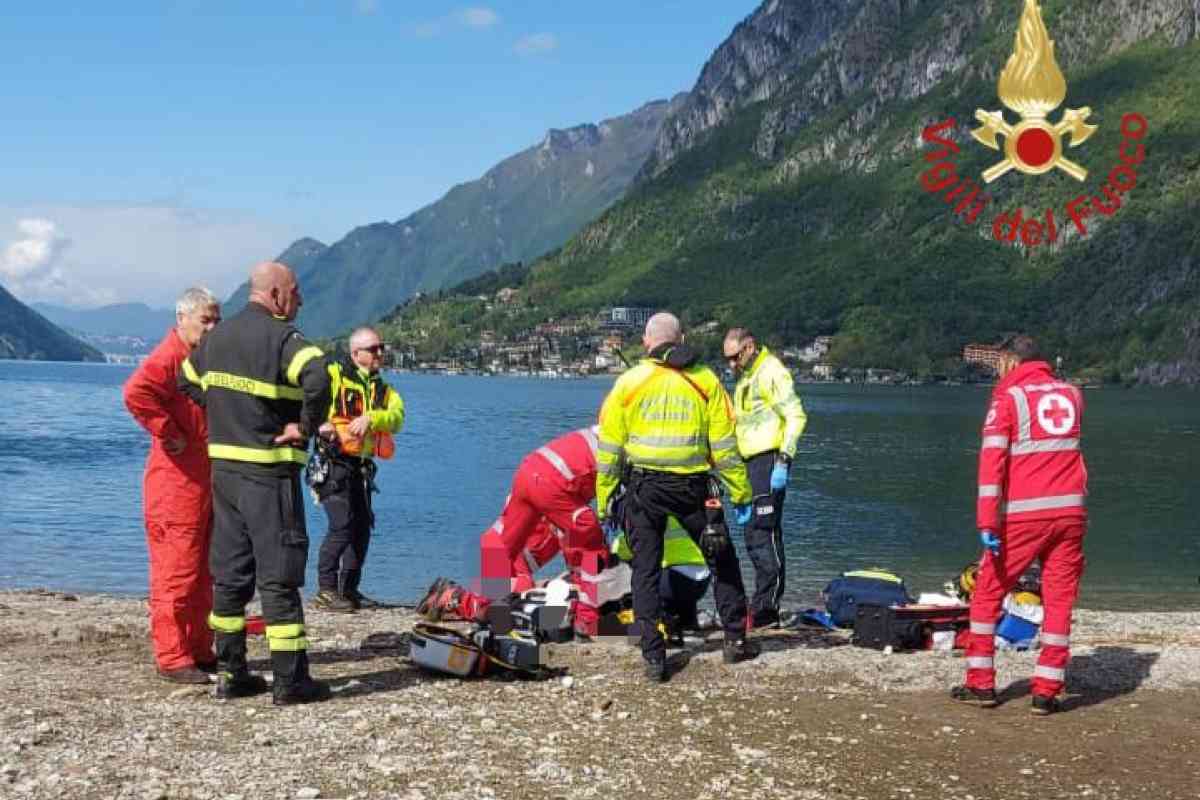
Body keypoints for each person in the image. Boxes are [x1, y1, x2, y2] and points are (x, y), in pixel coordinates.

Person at [179, 261, 333, 705]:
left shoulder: (218, 337)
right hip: (268, 474)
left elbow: (185, 380)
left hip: (224, 474)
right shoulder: (284, 339)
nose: (300, 300)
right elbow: (319, 375)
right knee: (278, 576)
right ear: (277, 293)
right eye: (296, 291)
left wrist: (222, 411)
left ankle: (231, 673)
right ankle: (290, 681)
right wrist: (304, 425)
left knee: (229, 575)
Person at [596, 312, 758, 683]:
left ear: (646, 342)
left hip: (644, 488)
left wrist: (604, 498)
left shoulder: (629, 383)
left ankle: (654, 657)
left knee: (645, 571)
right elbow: (725, 447)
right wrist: (741, 492)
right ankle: (734, 640)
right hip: (693, 487)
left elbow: (608, 450)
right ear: (681, 339)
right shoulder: (705, 381)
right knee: (722, 560)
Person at [951, 334, 1088, 716]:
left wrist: (986, 521)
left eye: (998, 364)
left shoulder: (1007, 400)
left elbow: (992, 464)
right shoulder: (1073, 395)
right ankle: (1047, 692)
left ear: (1011, 362)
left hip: (1025, 514)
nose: (997, 371)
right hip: (1071, 512)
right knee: (1059, 598)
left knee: (987, 593)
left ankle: (981, 684)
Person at [416, 426, 610, 636]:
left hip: (527, 488)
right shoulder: (556, 503)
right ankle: (455, 599)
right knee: (526, 593)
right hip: (512, 551)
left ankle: (464, 601)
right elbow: (578, 543)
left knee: (521, 591)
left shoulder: (604, 435)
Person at [123, 286, 222, 684]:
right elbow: (135, 392)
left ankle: (199, 647)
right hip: (175, 486)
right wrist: (168, 431)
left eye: (217, 319)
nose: (213, 327)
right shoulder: (168, 357)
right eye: (206, 320)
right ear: (182, 319)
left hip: (201, 480)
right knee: (176, 573)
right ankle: (172, 656)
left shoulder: (199, 358)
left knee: (203, 572)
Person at [311, 327, 405, 612]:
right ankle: (326, 590)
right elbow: (305, 399)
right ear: (355, 354)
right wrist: (317, 423)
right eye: (373, 349)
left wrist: (372, 418)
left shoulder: (383, 389)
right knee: (341, 525)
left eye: (381, 348)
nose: (380, 353)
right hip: (332, 463)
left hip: (361, 468)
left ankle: (349, 589)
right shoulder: (333, 376)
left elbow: (397, 417)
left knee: (361, 529)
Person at [722, 327, 808, 628]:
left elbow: (796, 416)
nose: (731, 365)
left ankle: (767, 608)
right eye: (727, 360)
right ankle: (760, 602)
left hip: (769, 459)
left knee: (765, 531)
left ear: (749, 347)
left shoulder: (771, 372)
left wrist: (784, 459)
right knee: (752, 534)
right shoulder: (746, 378)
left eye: (734, 357)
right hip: (749, 463)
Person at [609, 511, 712, 644]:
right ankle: (688, 623)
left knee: (644, 577)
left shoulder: (651, 516)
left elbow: (620, 548)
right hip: (703, 578)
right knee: (678, 579)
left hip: (675, 580)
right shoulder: (687, 512)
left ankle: (668, 624)